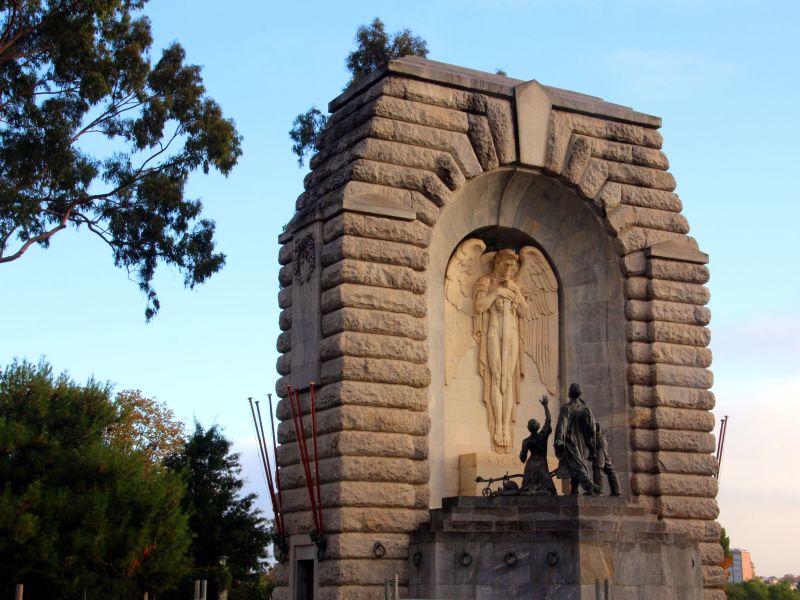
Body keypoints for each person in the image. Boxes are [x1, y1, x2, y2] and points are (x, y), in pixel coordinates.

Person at [474, 249, 528, 450]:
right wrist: (497, 292)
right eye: (506, 265)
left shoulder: (515, 285)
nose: (509, 269)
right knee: (497, 378)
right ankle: (497, 427)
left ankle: (506, 427)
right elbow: (479, 307)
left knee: (508, 380)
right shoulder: (486, 281)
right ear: (497, 262)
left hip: (512, 334)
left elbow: (524, 312)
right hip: (494, 332)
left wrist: (514, 289)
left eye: (512, 266)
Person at [554, 383, 600, 495]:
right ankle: (574, 489)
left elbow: (561, 425)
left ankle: (591, 486)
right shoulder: (586, 409)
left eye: (569, 389)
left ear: (571, 393)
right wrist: (591, 444)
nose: (568, 391)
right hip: (581, 441)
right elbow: (592, 429)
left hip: (570, 441)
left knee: (577, 464)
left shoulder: (567, 408)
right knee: (576, 462)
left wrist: (559, 439)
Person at [519, 395, 557, 495]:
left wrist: (522, 450)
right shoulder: (543, 435)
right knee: (550, 490)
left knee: (527, 487)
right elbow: (548, 419)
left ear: (528, 428)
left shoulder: (526, 441)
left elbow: (522, 459)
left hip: (531, 465)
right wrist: (545, 406)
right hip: (541, 465)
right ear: (539, 426)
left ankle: (531, 492)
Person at [593, 423, 621, 496]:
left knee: (598, 466)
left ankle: (598, 491)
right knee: (609, 467)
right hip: (601, 446)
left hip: (600, 446)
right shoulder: (597, 436)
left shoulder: (599, 437)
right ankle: (616, 491)